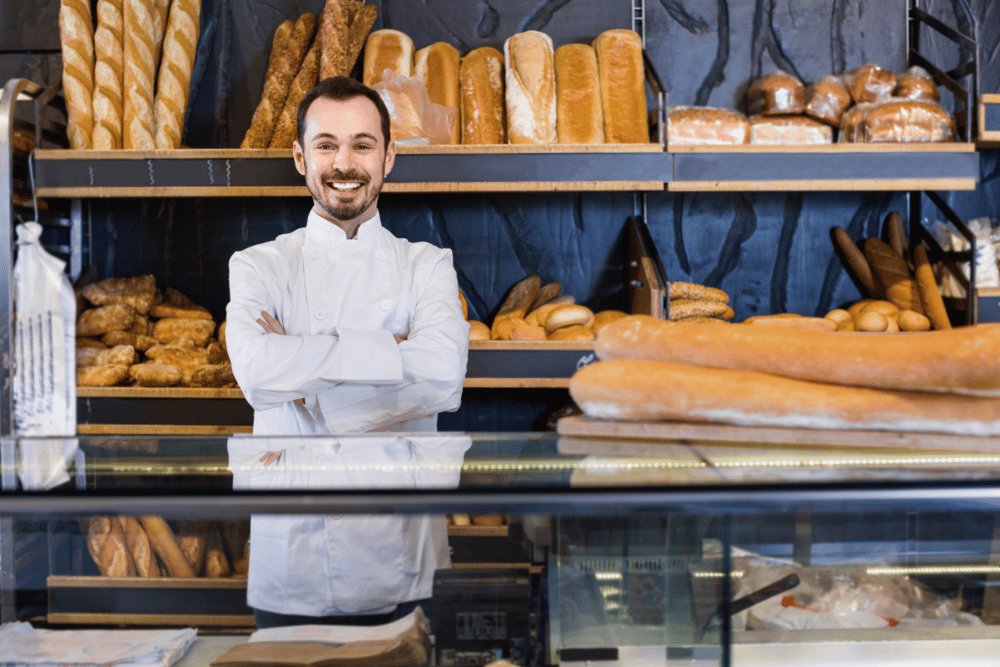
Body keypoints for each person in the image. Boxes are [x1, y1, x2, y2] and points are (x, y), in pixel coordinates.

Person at [225, 76, 470, 628]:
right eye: (326, 144)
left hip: (402, 556)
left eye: (363, 144)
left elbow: (440, 378)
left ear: (389, 158)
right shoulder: (258, 264)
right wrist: (391, 352)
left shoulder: (427, 264)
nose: (344, 163)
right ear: (299, 156)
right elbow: (259, 376)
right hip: (293, 558)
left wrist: (303, 367)